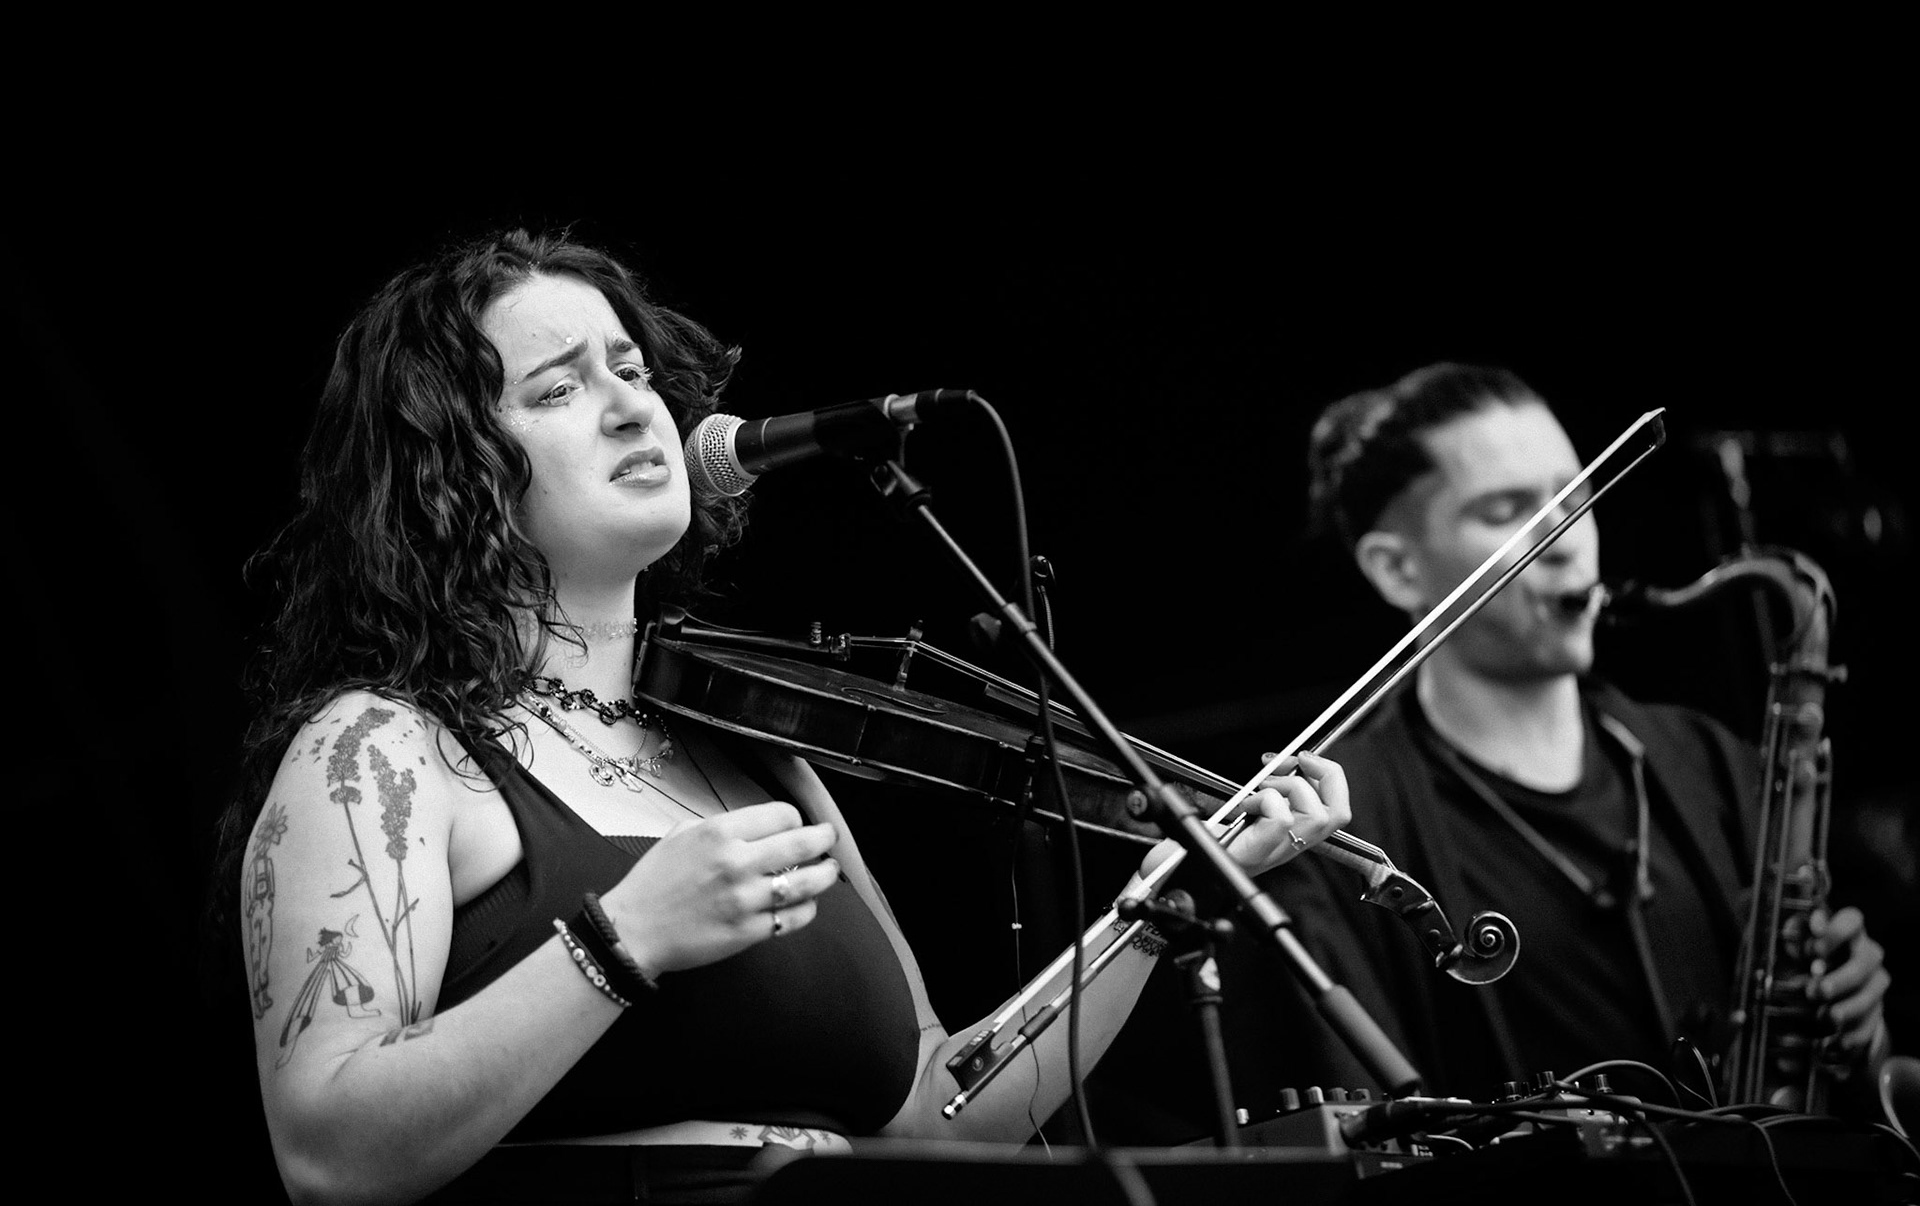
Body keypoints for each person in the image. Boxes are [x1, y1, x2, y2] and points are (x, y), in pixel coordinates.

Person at [215, 227, 1353, 1206]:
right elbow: (329, 1149)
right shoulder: (382, 749)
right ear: (445, 471)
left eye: (632, 368)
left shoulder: (758, 758)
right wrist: (621, 940)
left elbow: (926, 1117)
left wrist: (1152, 911)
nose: (631, 407)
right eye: (559, 388)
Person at [1259, 361, 1893, 1109]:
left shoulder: (1711, 760)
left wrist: (1855, 1035)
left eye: (1577, 495)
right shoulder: (1334, 828)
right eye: (1508, 510)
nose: (1565, 539)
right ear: (1397, 570)